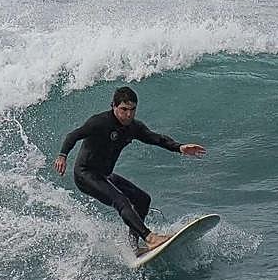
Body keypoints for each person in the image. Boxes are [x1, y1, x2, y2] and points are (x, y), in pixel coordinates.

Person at [54, 86, 206, 255]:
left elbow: (156, 138)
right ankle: (150, 238)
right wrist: (62, 155)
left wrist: (180, 147)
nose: (128, 115)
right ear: (114, 106)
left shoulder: (134, 127)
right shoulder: (99, 122)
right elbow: (73, 135)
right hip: (85, 174)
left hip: (105, 175)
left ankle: (133, 247)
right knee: (121, 201)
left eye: (132, 110)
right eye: (124, 109)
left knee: (143, 200)